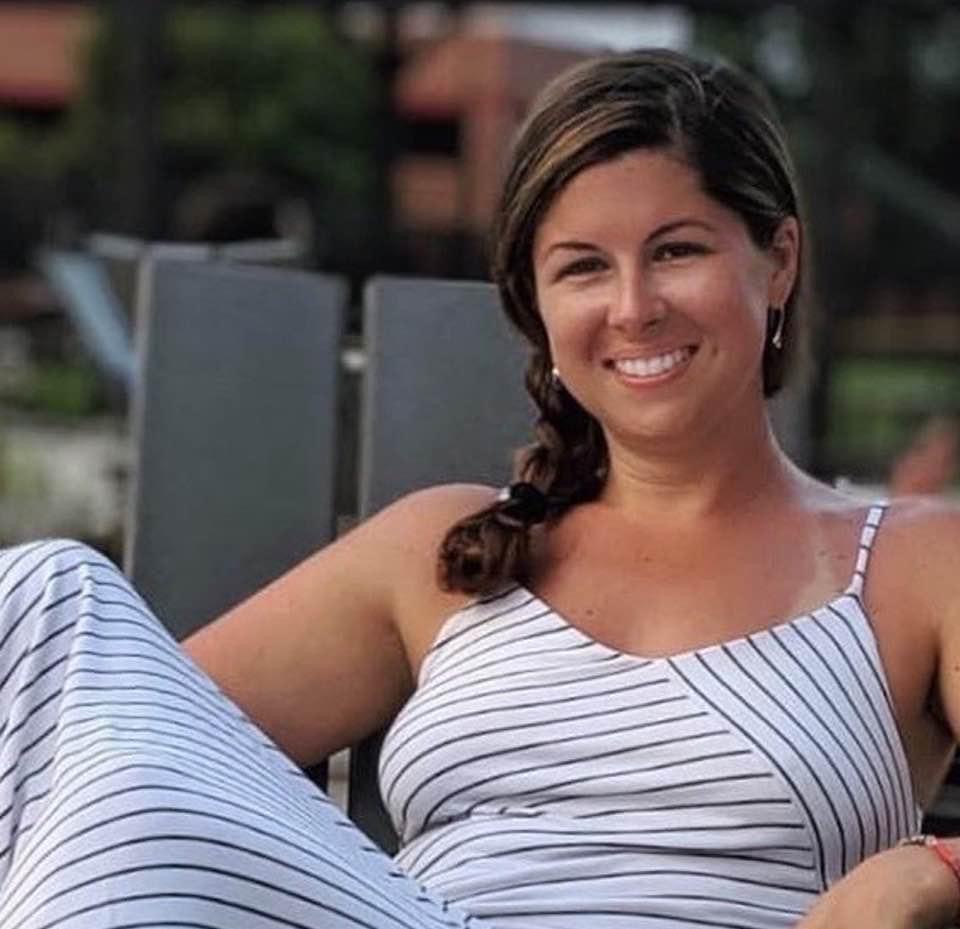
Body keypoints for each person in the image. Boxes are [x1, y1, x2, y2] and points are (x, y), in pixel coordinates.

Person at [1, 47, 959, 929]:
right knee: (46, 604)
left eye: (677, 250)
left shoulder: (915, 562)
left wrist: (932, 870)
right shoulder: (446, 550)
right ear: (536, 307)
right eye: (584, 267)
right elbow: (113, 750)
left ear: (779, 260)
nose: (633, 308)